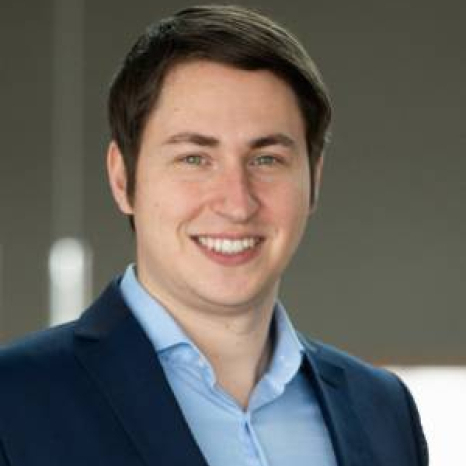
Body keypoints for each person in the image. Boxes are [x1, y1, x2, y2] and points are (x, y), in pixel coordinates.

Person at [0, 5, 428, 466]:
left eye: (266, 159)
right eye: (194, 158)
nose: (237, 202)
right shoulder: (14, 401)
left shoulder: (383, 409)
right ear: (123, 178)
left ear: (314, 181)